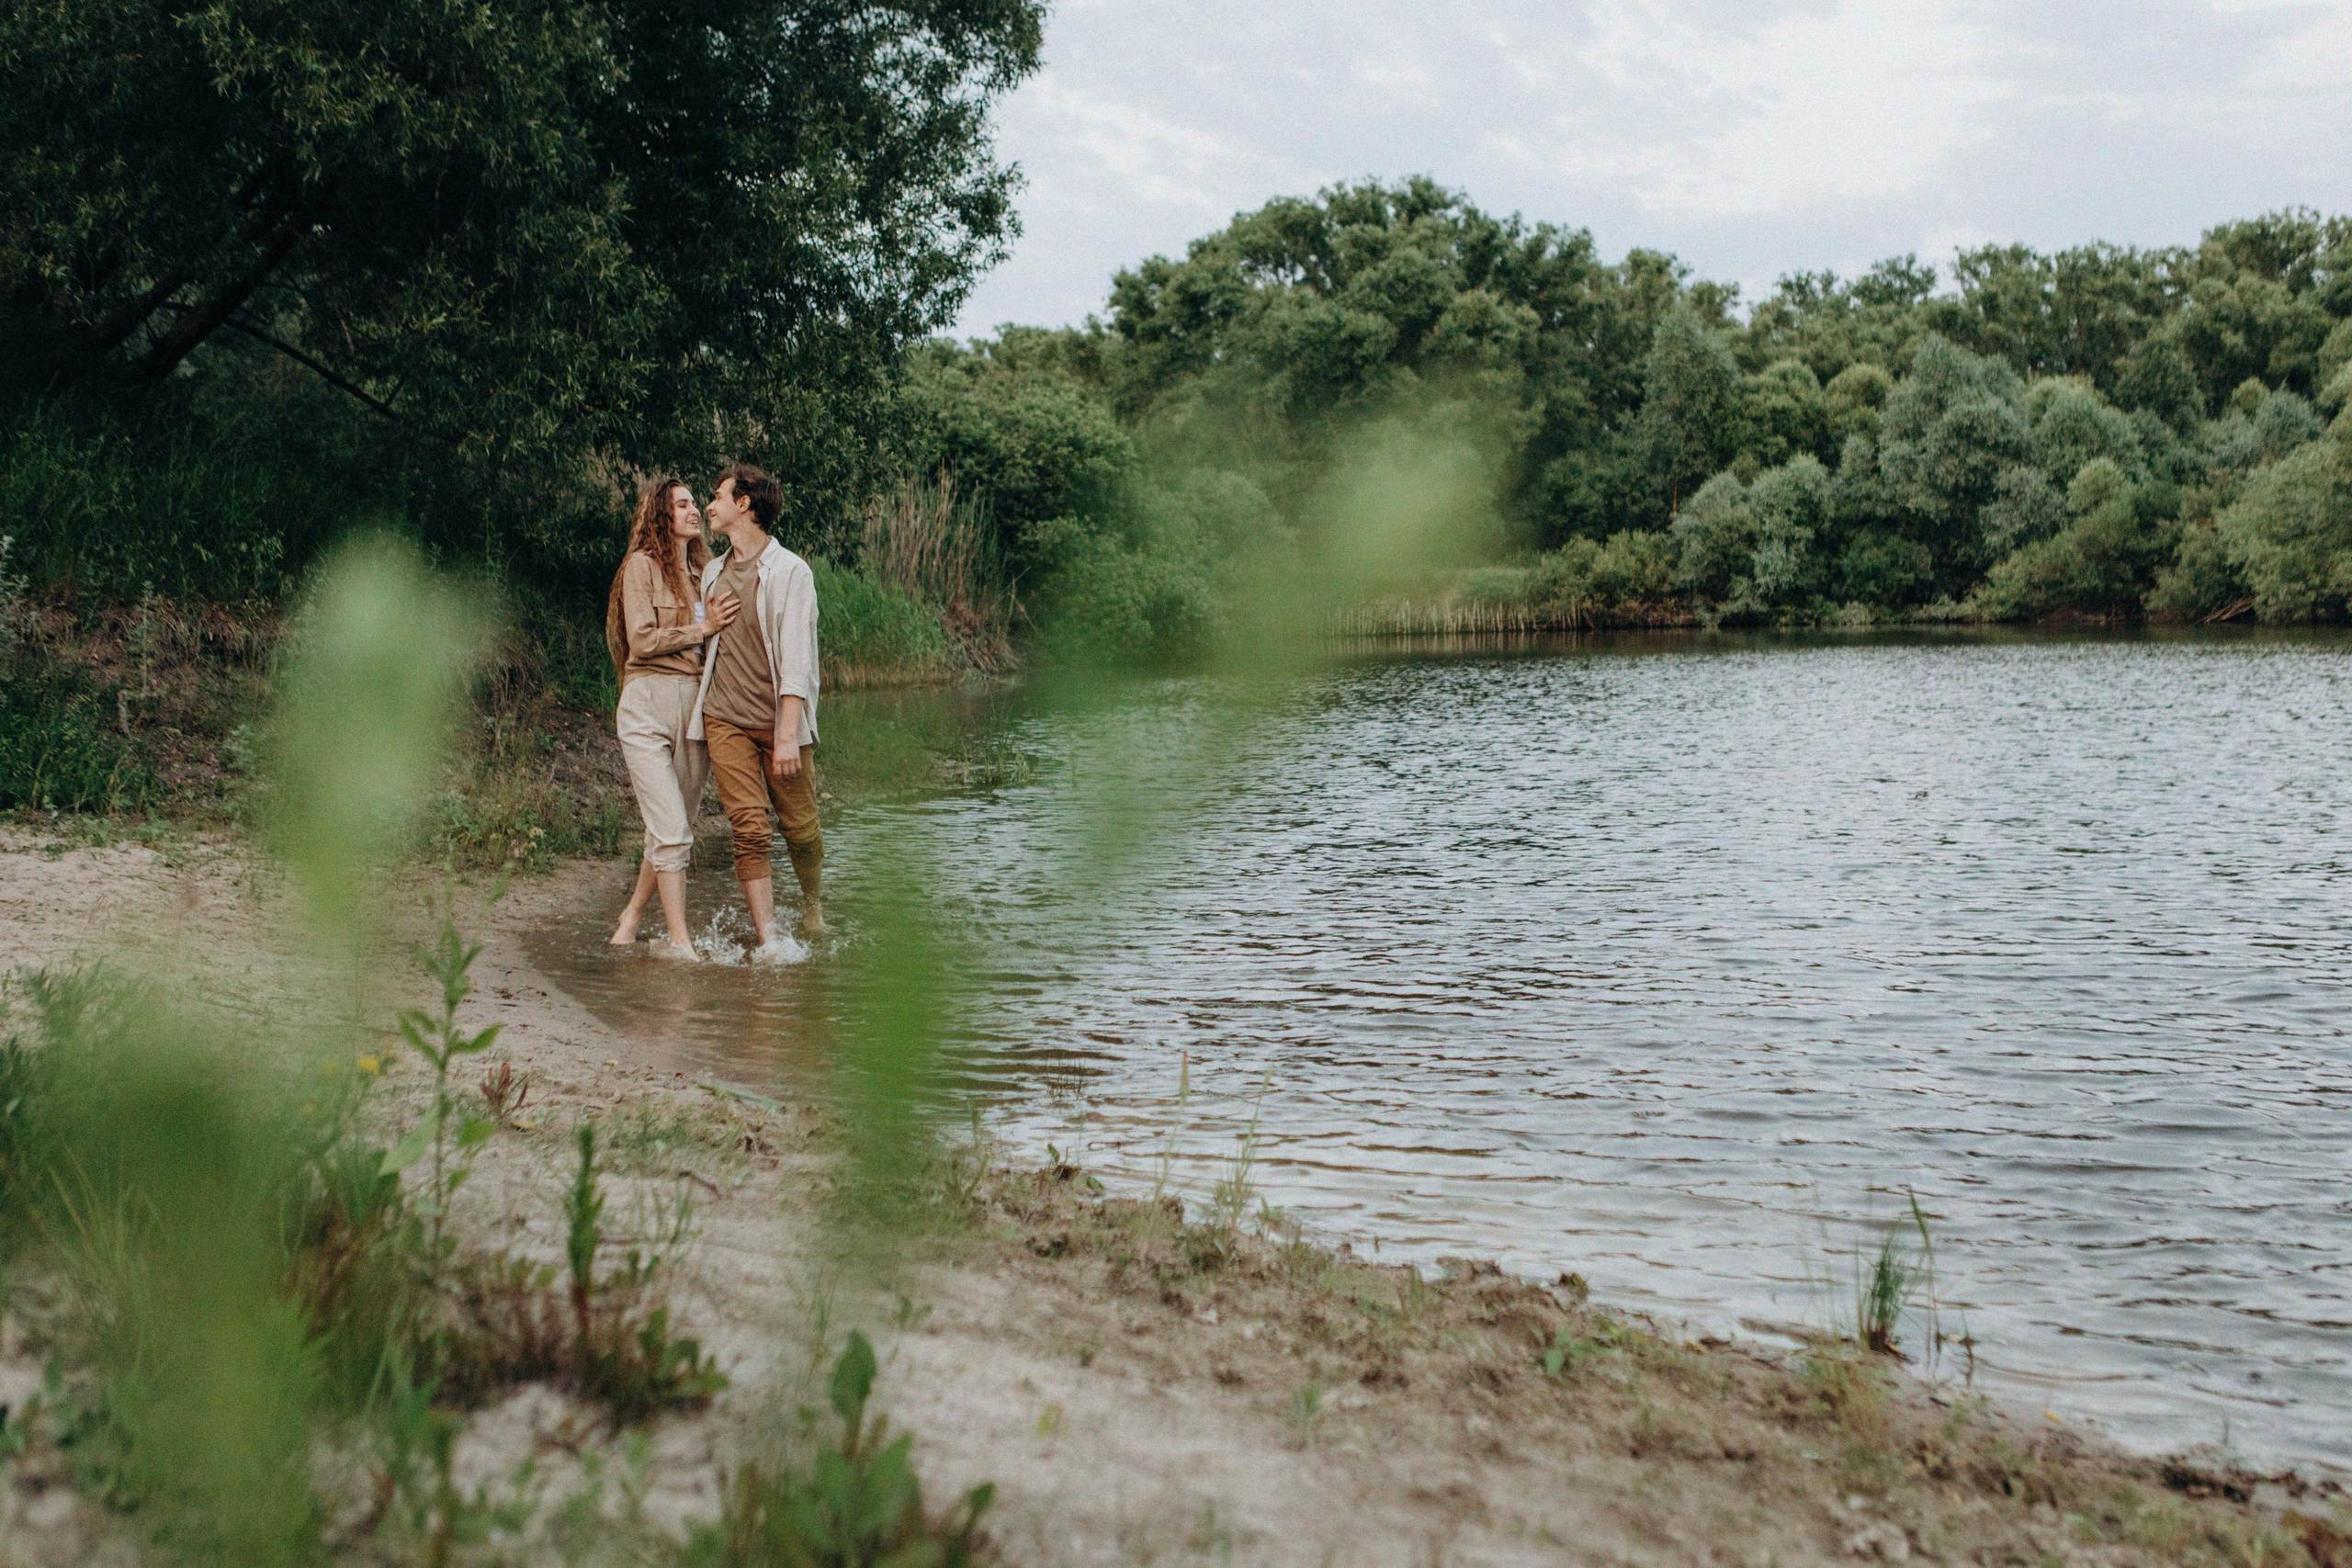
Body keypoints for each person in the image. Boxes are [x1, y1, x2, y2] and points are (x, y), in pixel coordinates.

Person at [689, 462, 825, 951]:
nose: (710, 505)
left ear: (743, 504)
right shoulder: (712, 573)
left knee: (801, 828)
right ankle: (770, 942)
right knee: (748, 829)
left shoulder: (792, 572)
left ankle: (812, 905)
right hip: (725, 716)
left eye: (717, 496)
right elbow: (704, 645)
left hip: (780, 721)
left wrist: (786, 735)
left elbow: (797, 659)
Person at [605, 477, 738, 955]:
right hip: (647, 702)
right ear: (661, 516)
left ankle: (631, 917)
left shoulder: (707, 573)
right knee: (673, 832)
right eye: (681, 505)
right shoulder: (641, 567)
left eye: (694, 503)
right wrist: (702, 628)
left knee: (669, 827)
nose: (693, 510)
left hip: (695, 706)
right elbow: (641, 640)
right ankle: (682, 944)